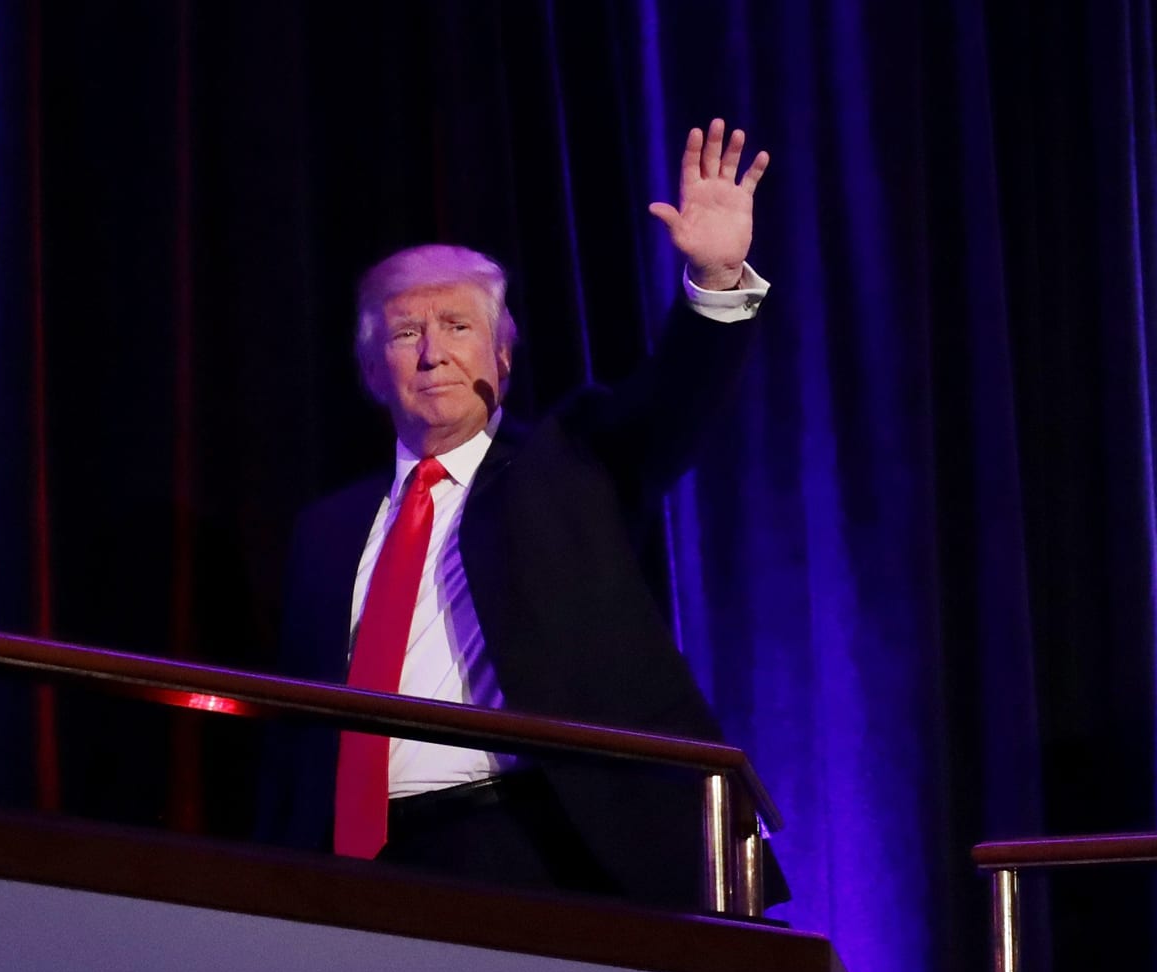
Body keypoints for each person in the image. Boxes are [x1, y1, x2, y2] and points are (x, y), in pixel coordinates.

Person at [255, 119, 773, 907]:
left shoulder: (570, 465)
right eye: (405, 332)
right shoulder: (324, 530)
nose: (433, 353)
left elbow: (675, 401)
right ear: (371, 369)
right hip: (360, 863)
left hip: (540, 842)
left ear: (502, 354)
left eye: (459, 327)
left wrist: (717, 281)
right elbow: (295, 732)